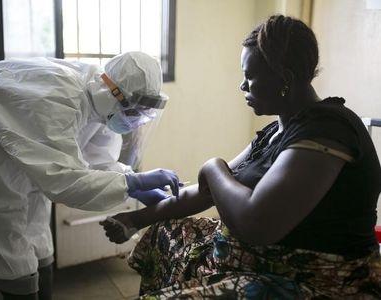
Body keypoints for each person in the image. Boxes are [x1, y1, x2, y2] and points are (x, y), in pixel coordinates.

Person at [101, 16, 381, 298]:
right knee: (163, 234)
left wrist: (214, 166)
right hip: (257, 261)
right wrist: (135, 219)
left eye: (249, 76)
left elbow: (256, 224)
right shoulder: (277, 130)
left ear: (284, 78)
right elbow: (207, 193)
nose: (242, 86)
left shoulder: (328, 130)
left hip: (315, 281)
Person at [0, 51, 181, 300]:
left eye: (142, 114)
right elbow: (65, 181)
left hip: (17, 114)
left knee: (35, 211)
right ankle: (21, 288)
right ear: (114, 92)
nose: (135, 121)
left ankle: (38, 284)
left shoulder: (101, 101)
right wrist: (134, 183)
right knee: (1, 210)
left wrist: (133, 184)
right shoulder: (61, 98)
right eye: (134, 112)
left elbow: (96, 161)